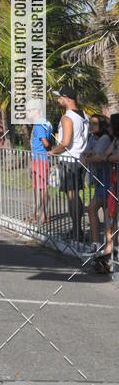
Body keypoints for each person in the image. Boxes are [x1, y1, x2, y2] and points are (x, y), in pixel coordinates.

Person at [48, 86, 90, 241]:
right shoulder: (83, 115)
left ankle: (77, 231)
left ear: (66, 98)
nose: (58, 99)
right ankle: (77, 229)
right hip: (79, 158)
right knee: (74, 195)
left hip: (69, 160)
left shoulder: (67, 117)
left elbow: (65, 142)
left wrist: (53, 151)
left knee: (72, 196)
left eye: (60, 97)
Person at [83, 114, 115, 272]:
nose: (91, 125)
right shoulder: (93, 138)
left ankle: (109, 251)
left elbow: (98, 156)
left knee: (109, 217)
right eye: (90, 122)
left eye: (94, 123)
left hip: (109, 182)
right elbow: (87, 154)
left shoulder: (105, 139)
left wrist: (97, 157)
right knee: (96, 210)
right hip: (100, 182)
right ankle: (98, 245)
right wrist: (93, 156)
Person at [26, 101, 53, 226]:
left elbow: (45, 142)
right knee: (38, 187)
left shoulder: (39, 123)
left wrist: (48, 150)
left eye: (30, 110)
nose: (28, 112)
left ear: (36, 110)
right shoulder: (45, 122)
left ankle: (43, 214)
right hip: (39, 158)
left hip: (40, 158)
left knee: (41, 188)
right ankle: (37, 213)